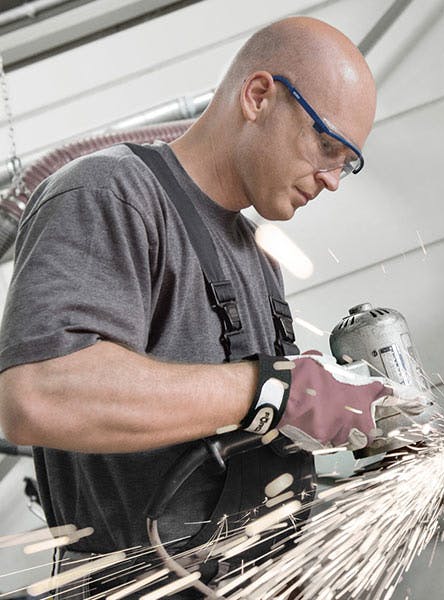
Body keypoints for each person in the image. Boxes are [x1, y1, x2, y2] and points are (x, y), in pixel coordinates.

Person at [0, 14, 408, 594]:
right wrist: (278, 390)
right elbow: (39, 394)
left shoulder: (258, 259)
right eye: (326, 145)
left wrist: (338, 409)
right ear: (259, 96)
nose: (332, 179)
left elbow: (230, 418)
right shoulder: (110, 193)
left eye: (348, 163)